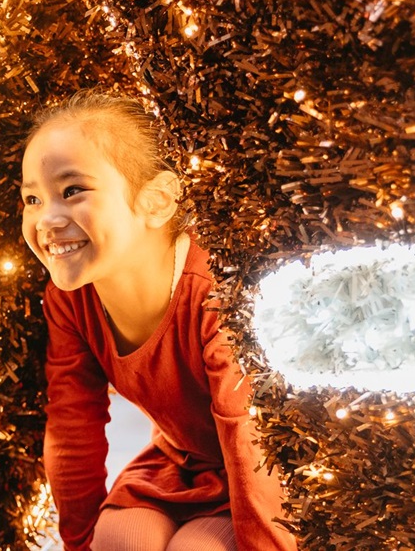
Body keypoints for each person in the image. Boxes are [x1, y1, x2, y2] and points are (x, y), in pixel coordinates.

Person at [20, 91, 295, 551]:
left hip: (266, 474)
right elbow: (72, 423)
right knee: (119, 541)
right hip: (180, 465)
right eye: (32, 198)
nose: (46, 219)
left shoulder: (218, 292)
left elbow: (250, 439)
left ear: (157, 201)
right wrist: (80, 544)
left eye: (72, 191)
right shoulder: (70, 299)